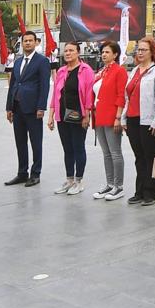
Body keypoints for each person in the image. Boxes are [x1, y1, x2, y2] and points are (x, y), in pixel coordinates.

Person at [47, 43, 95, 196]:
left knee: (78, 147)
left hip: (78, 115)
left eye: (71, 51)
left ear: (78, 53)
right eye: (66, 51)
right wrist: (51, 116)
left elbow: (89, 94)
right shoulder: (61, 71)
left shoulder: (86, 70)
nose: (67, 53)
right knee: (67, 149)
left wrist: (86, 115)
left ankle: (79, 181)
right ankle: (69, 180)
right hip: (62, 115)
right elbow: (55, 95)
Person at [4, 33, 49, 187]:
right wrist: (9, 107)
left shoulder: (42, 61)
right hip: (17, 108)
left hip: (33, 108)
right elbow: (13, 85)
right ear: (22, 43)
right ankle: (22, 173)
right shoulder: (17, 62)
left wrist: (41, 107)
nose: (28, 43)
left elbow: (44, 85)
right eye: (25, 41)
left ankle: (35, 174)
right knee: (20, 142)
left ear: (36, 43)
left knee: (36, 142)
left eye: (30, 41)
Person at [125, 37, 155, 205]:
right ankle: (140, 191)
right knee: (139, 157)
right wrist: (124, 117)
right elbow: (128, 96)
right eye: (138, 50)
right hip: (132, 119)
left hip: (148, 120)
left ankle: (152, 192)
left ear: (152, 52)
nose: (139, 53)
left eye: (143, 50)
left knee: (150, 157)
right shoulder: (134, 70)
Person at [91, 41, 128, 201]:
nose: (104, 55)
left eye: (107, 52)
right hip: (99, 116)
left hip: (112, 116)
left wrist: (118, 117)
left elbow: (121, 95)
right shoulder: (101, 72)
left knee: (115, 152)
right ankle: (110, 183)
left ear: (115, 54)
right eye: (103, 52)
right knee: (106, 153)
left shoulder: (119, 71)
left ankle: (118, 186)